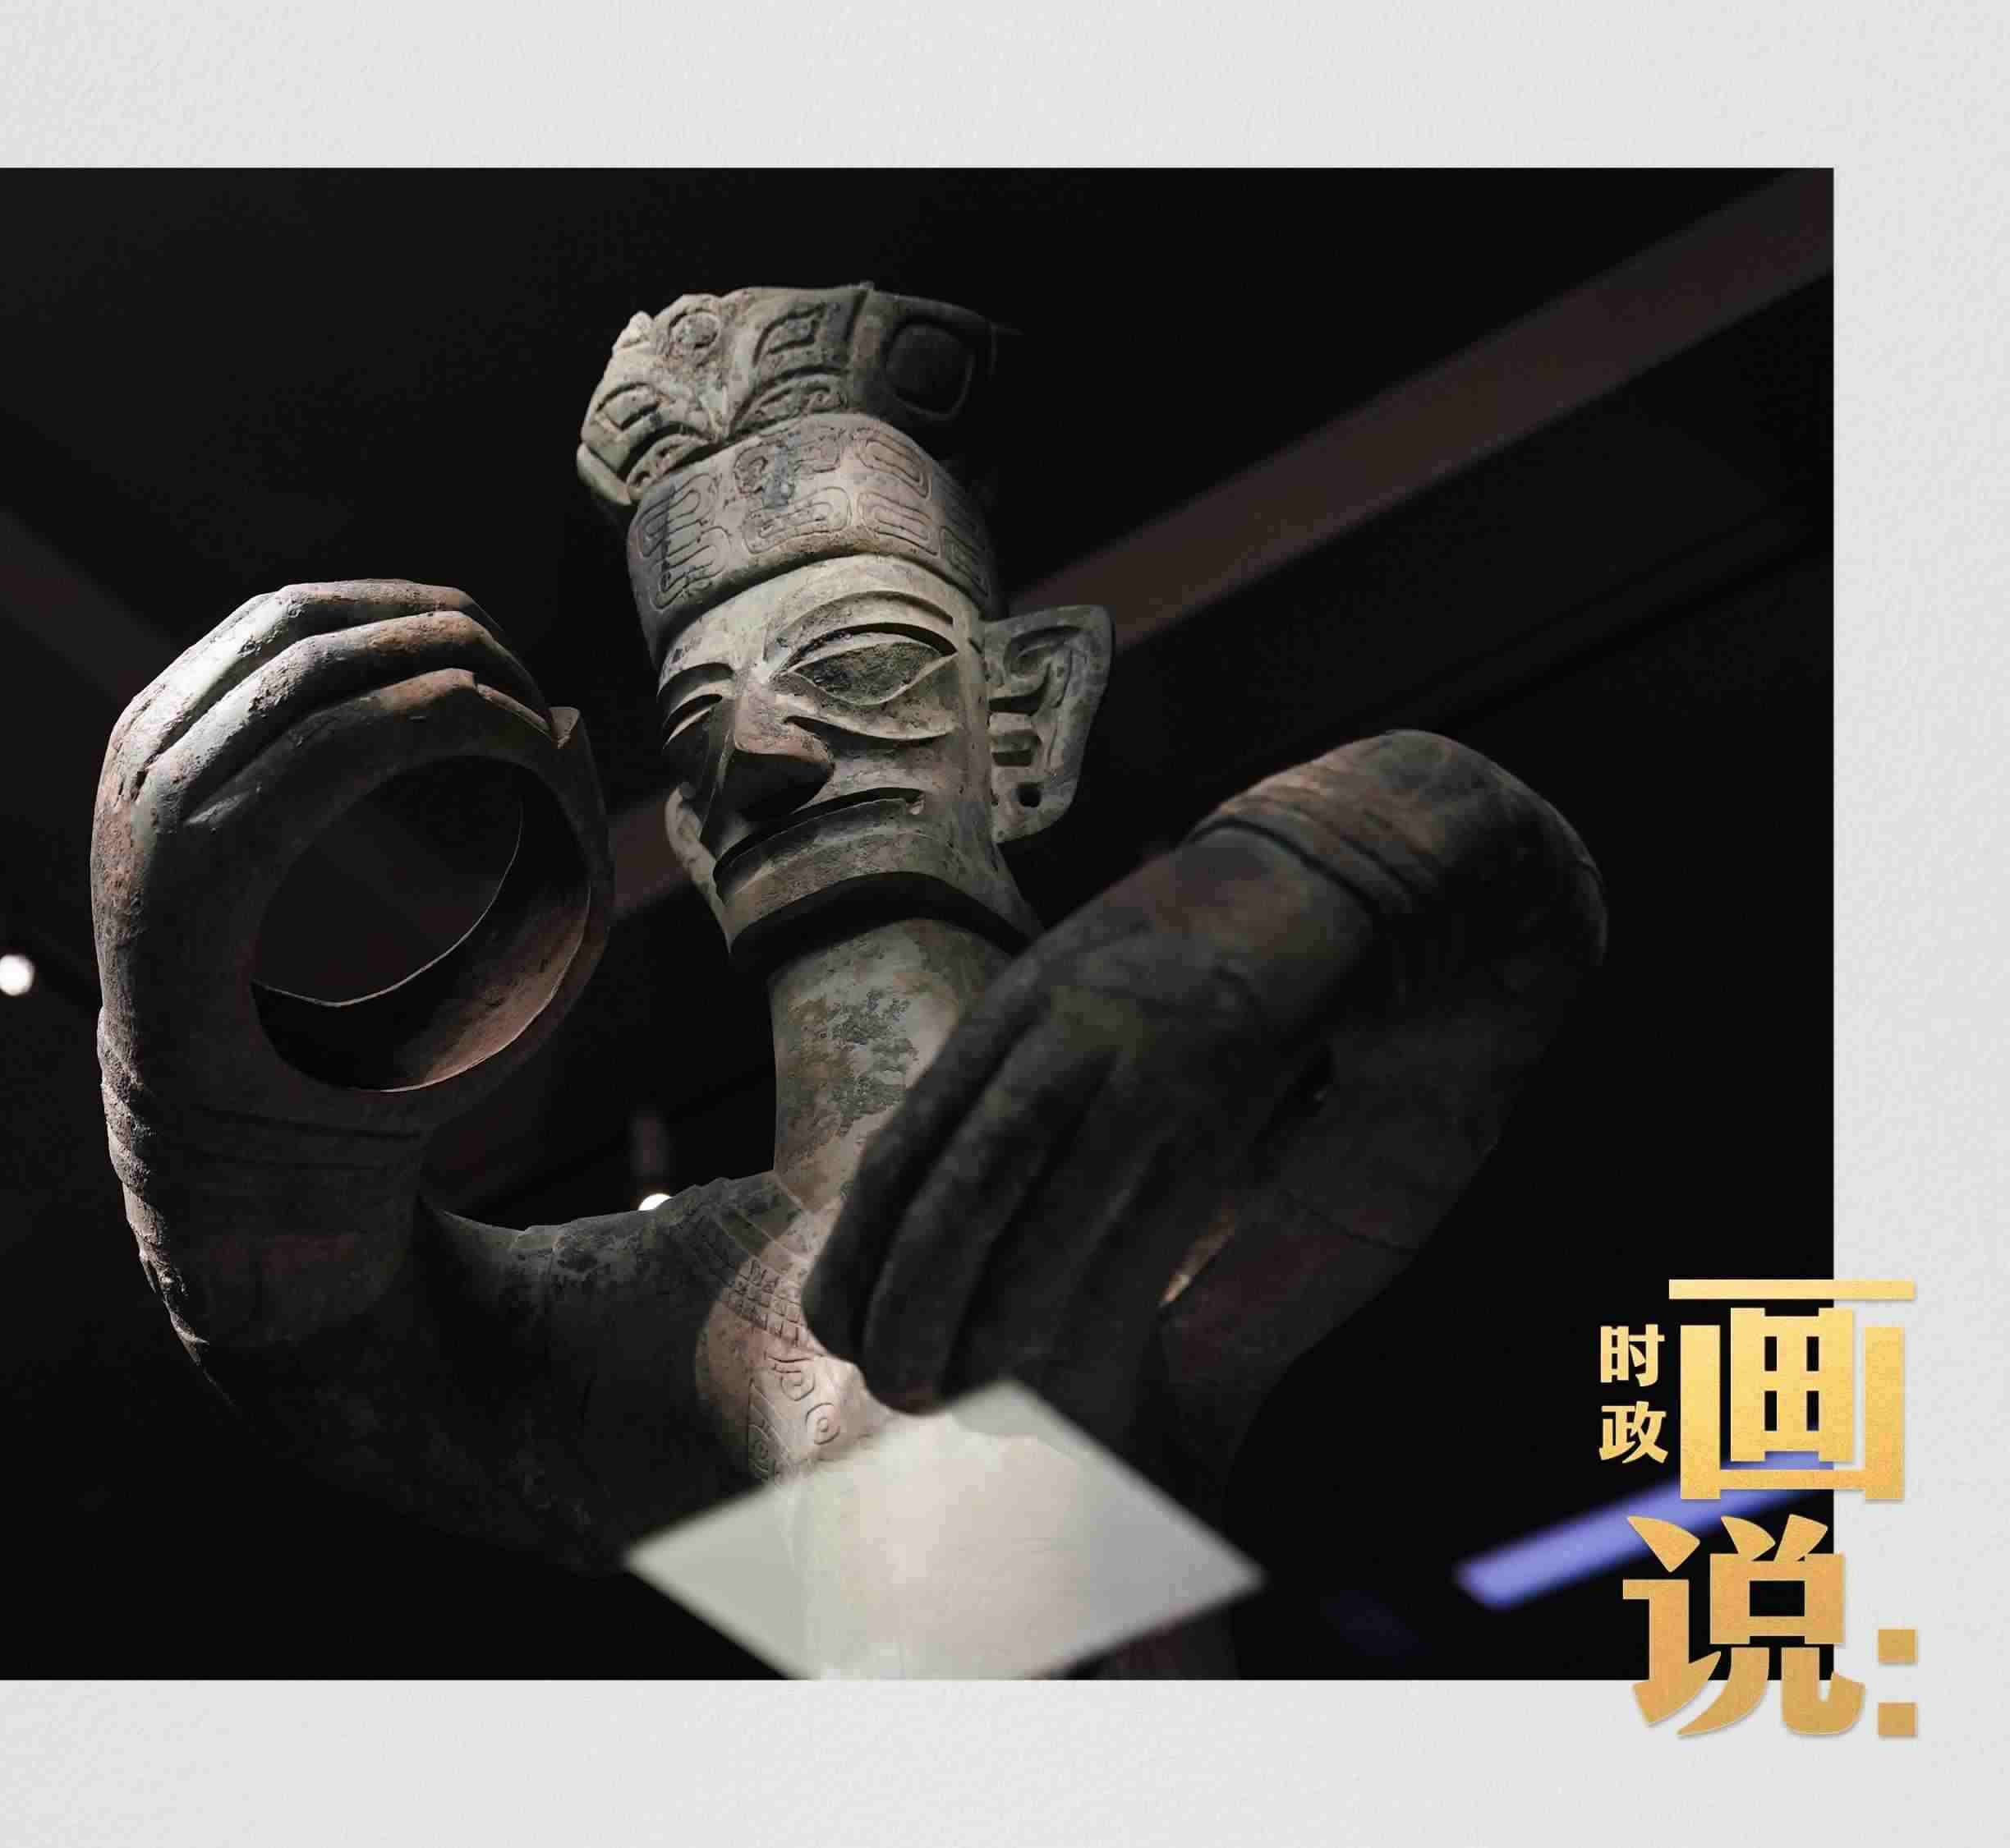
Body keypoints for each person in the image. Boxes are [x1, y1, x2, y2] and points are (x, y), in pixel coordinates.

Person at [88, 284, 1607, 1647]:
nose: (760, 751)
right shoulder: (696, 1302)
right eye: (699, 729)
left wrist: (1315, 867)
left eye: (857, 666)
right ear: (690, 831)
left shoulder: (1178, 1156)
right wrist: (192, 1052)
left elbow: (1497, 923)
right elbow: (326, 1336)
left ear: (1026, 719)